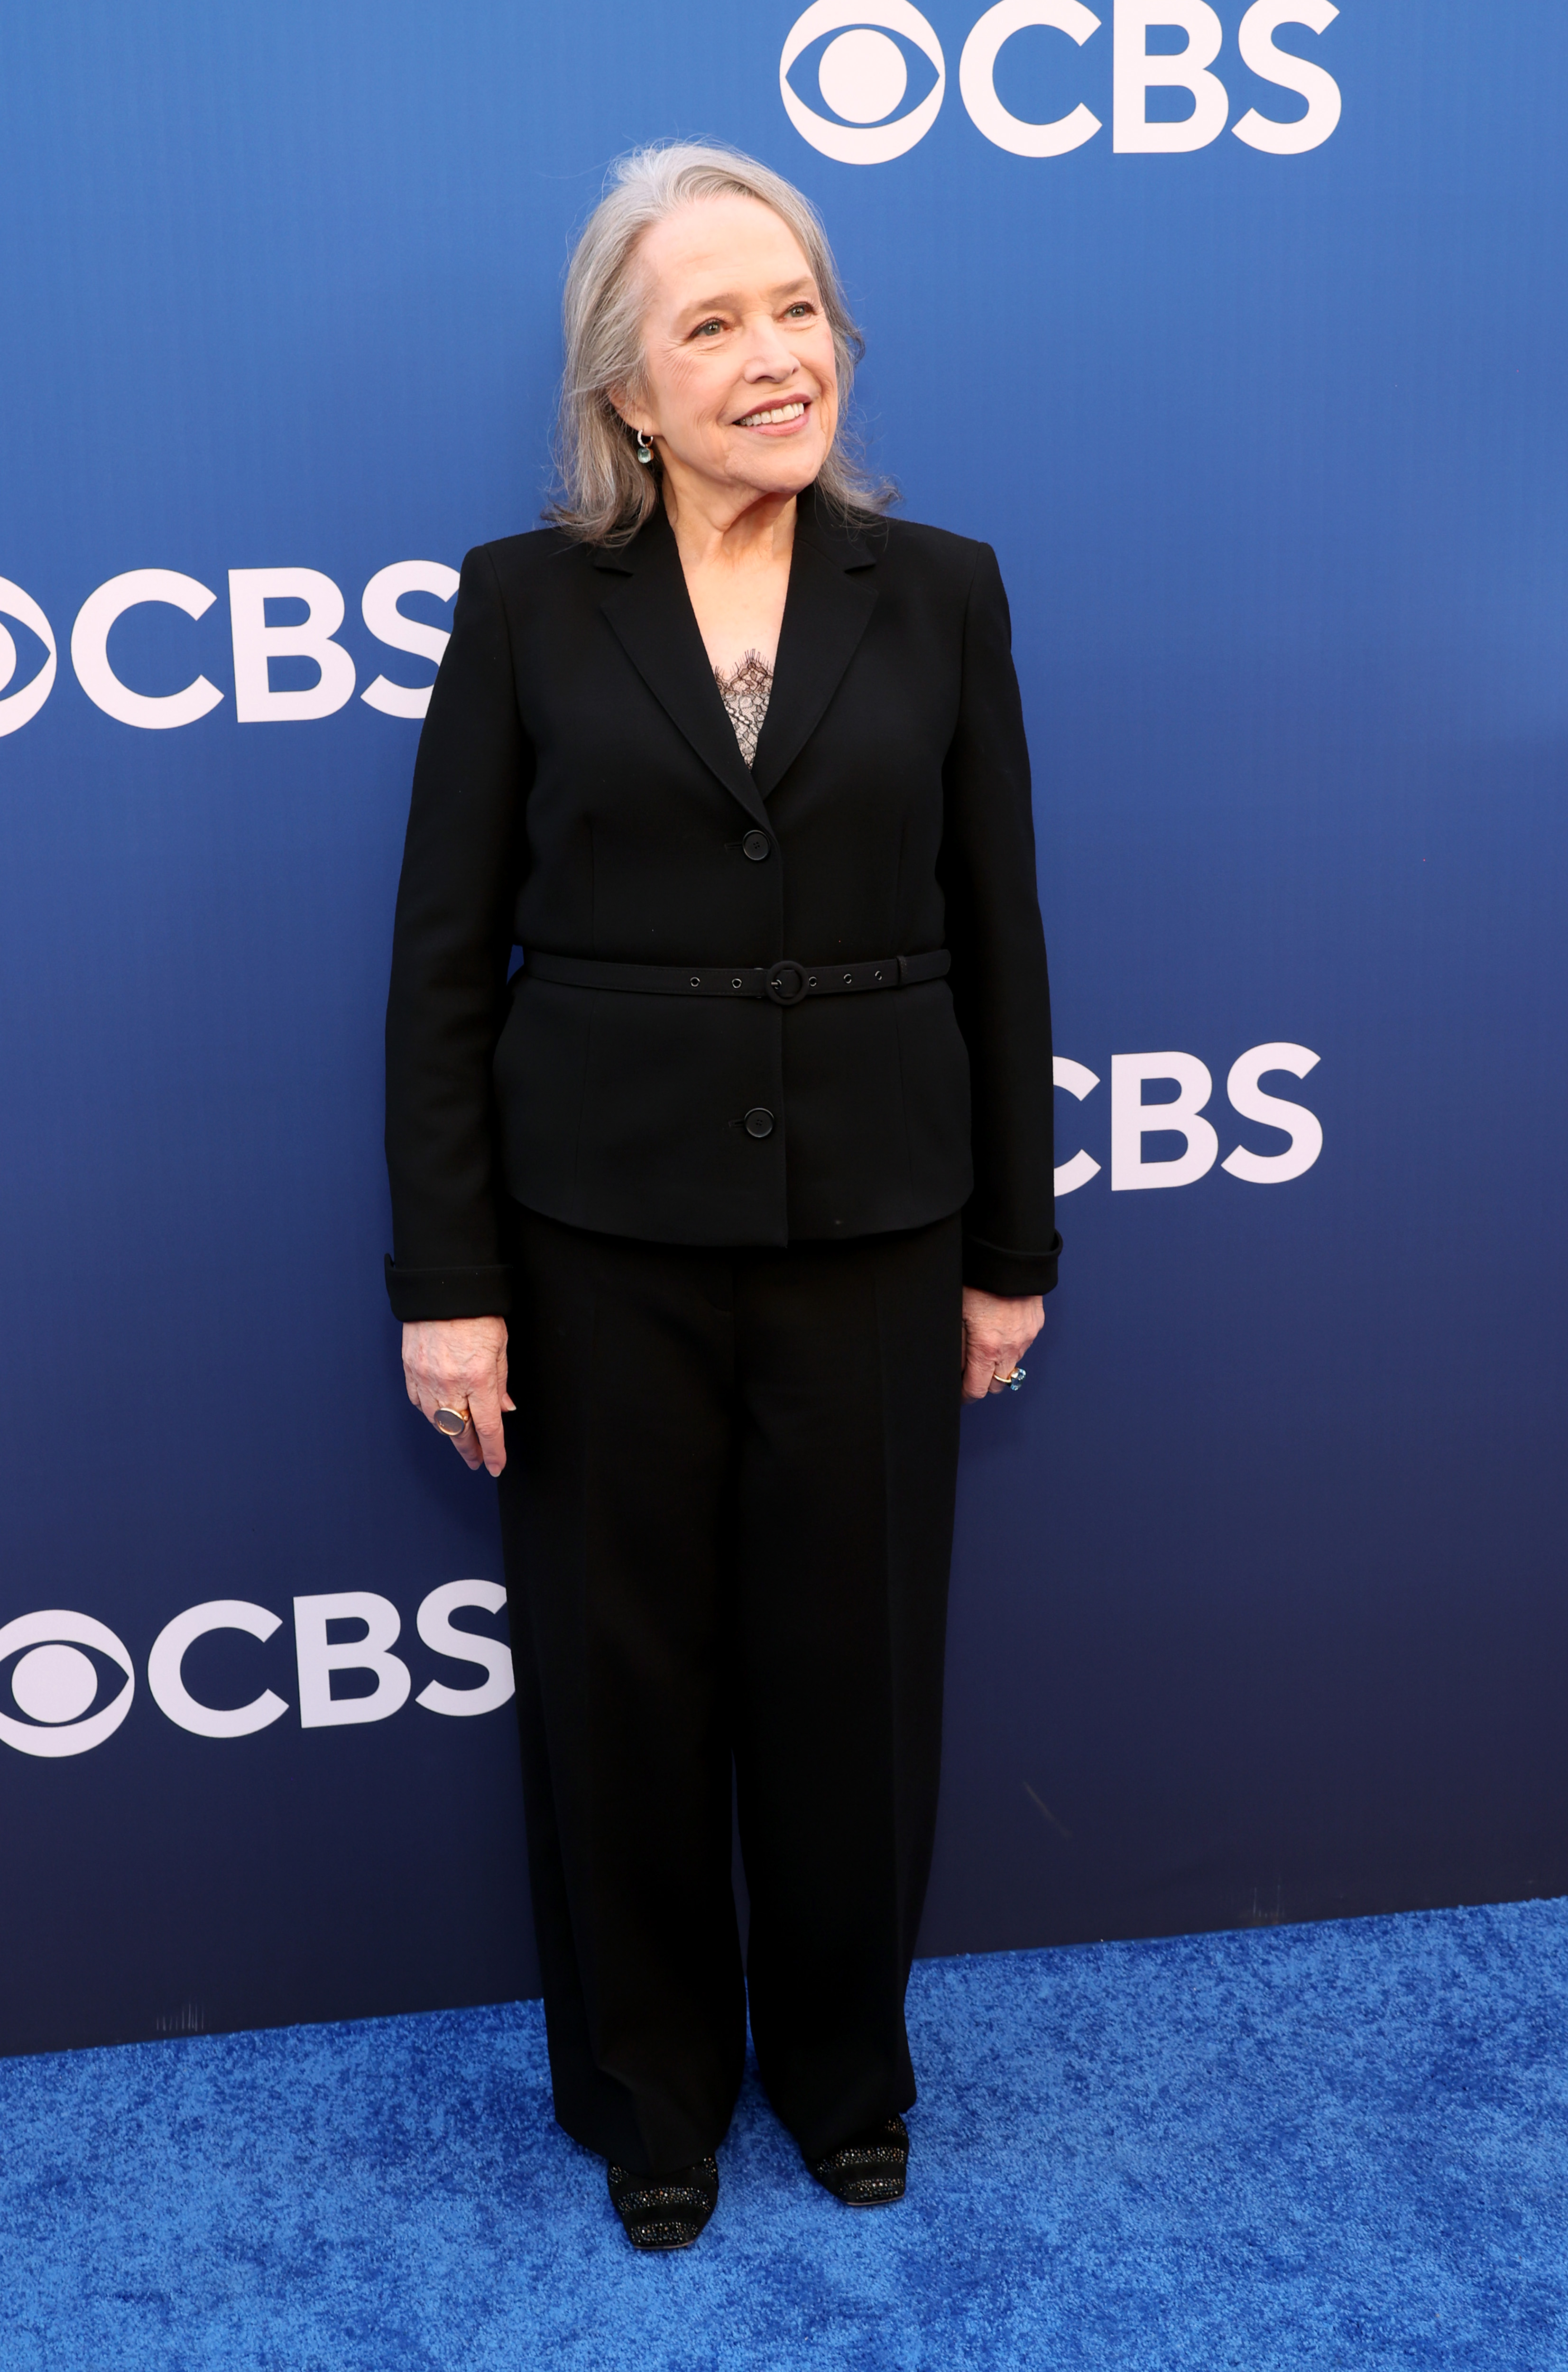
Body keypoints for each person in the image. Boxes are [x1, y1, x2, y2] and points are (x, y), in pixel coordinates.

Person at [384, 142, 1058, 2252]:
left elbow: (1001, 928)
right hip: (597, 1245)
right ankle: (648, 2084)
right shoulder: (522, 603)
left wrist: (1010, 1244)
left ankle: (848, 2064)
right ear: (627, 392)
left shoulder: (940, 586)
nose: (777, 357)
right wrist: (451, 1280)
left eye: (799, 309)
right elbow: (438, 962)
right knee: (622, 1674)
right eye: (714, 324)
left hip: (878, 1221)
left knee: (855, 1682)